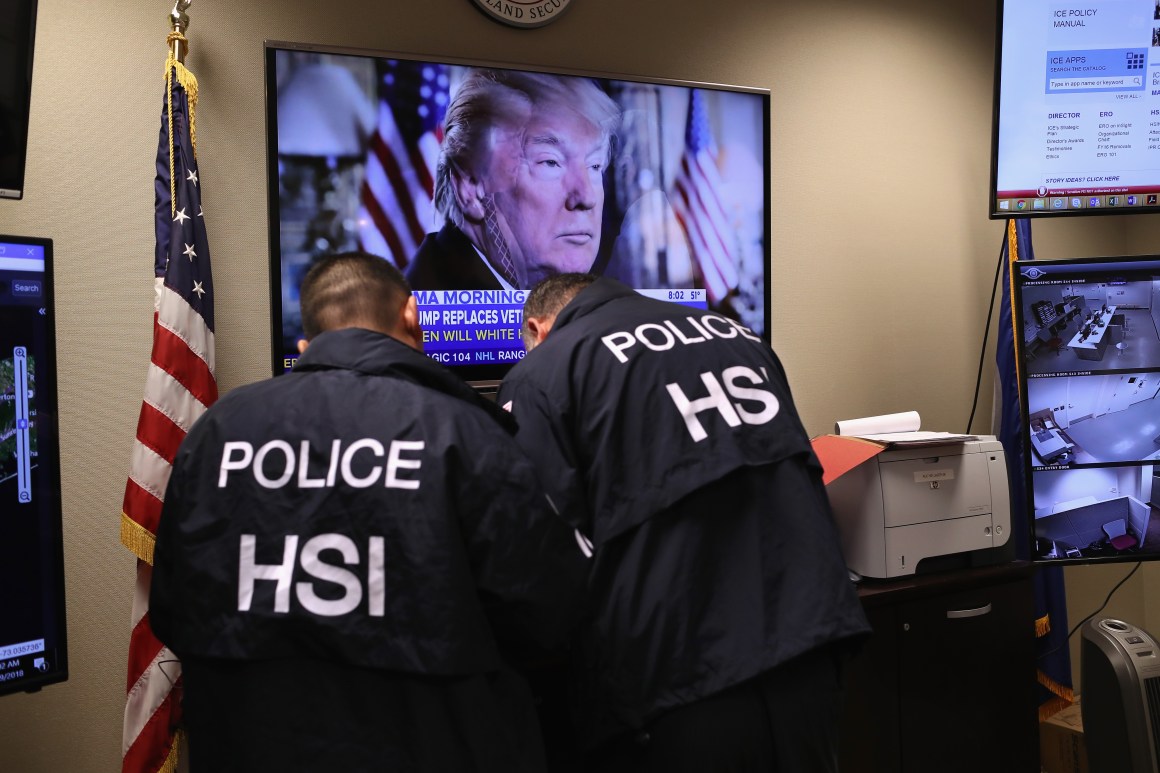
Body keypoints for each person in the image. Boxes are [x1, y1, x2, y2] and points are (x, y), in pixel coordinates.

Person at [149, 252, 589, 772]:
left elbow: (175, 611)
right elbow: (548, 618)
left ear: (307, 346)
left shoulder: (216, 433)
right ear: (412, 316)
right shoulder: (463, 432)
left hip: (250, 746)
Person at [497, 273, 872, 772]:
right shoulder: (739, 337)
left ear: (538, 328)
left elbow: (543, 542)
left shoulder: (544, 369)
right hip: (808, 644)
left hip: (682, 670)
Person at [405, 69, 620, 291]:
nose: (586, 196)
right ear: (470, 188)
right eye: (550, 162)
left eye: (595, 165)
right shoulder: (417, 315)